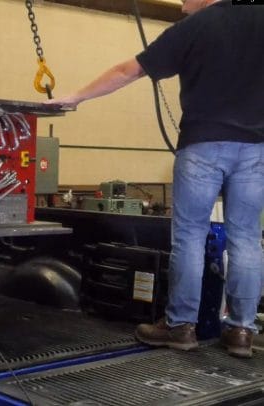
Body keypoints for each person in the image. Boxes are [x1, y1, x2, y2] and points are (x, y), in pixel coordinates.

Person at [45, 0, 264, 358]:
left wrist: (76, 97)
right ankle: (242, 331)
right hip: (255, 149)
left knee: (190, 238)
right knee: (247, 240)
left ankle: (180, 328)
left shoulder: (197, 27)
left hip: (202, 147)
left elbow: (127, 70)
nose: (181, 4)